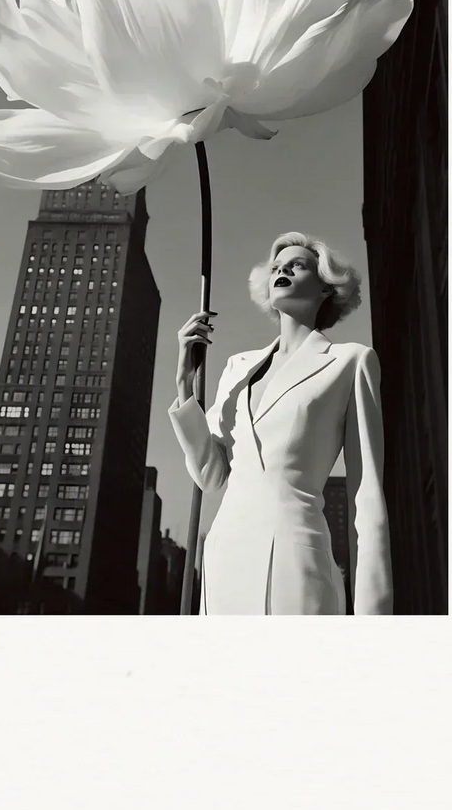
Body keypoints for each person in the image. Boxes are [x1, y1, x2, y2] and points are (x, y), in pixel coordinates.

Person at [168, 232, 393, 615]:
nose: (282, 270)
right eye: (275, 267)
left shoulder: (351, 362)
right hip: (224, 563)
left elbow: (366, 497)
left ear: (326, 287)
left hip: (296, 565)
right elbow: (212, 476)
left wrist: (373, 617)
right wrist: (185, 387)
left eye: (297, 265)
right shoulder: (238, 368)